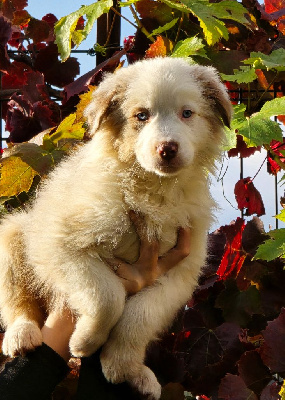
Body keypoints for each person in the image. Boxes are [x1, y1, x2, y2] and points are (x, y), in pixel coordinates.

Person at [0, 215, 191, 400]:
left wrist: (122, 350)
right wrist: (88, 304)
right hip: (59, 286)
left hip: (96, 330)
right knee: (14, 232)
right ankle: (22, 317)